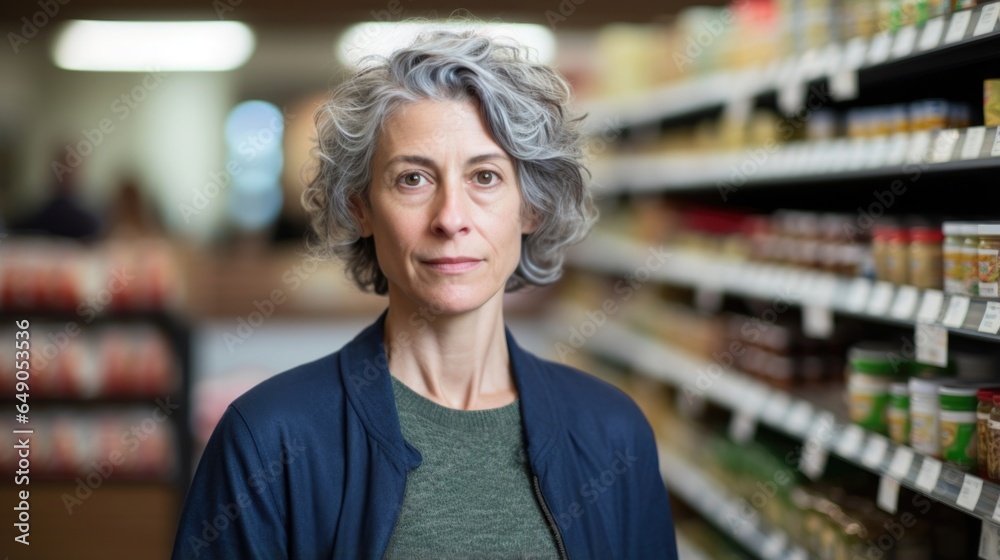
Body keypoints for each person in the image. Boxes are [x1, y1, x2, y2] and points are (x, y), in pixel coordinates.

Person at [171, 23, 678, 560]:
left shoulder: (613, 434)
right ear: (360, 208)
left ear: (531, 207)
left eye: (485, 177)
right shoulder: (268, 438)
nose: (451, 218)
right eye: (413, 179)